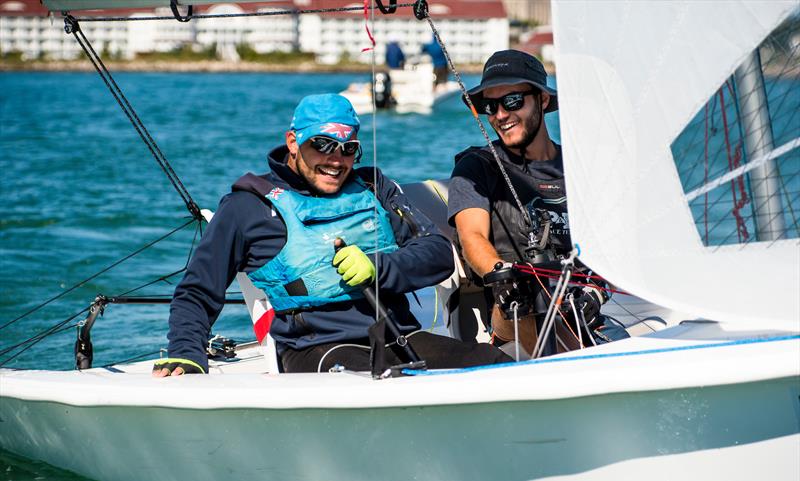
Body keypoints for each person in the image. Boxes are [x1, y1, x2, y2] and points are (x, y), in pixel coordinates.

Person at [154, 93, 511, 376]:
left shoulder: (374, 186)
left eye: (348, 150)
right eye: (322, 145)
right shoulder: (247, 206)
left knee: (496, 363)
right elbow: (198, 290)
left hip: (400, 337)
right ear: (293, 142)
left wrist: (378, 267)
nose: (336, 161)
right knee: (389, 382)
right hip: (316, 350)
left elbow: (436, 253)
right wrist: (187, 354)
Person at [447, 50, 609, 357]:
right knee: (524, 301)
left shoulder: (580, 167)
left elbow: (612, 242)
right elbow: (472, 237)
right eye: (490, 106)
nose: (500, 115)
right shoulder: (475, 167)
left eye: (512, 101)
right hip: (513, 313)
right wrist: (501, 274)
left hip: (582, 310)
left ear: (543, 100)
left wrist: (595, 293)